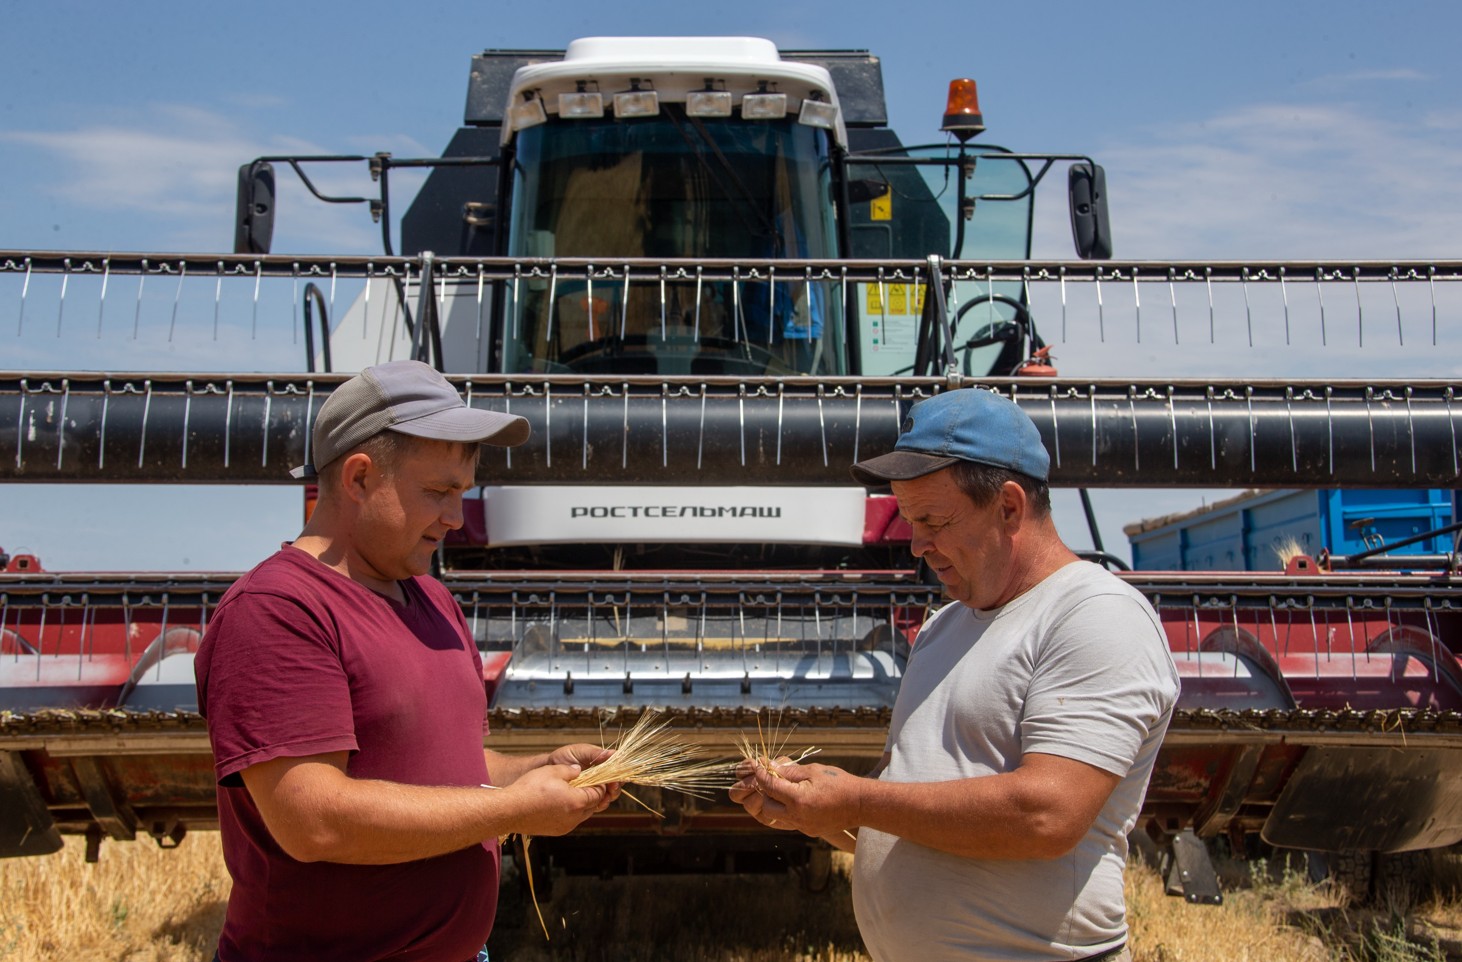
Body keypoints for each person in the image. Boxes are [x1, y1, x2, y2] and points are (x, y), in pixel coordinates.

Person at [730, 388, 1179, 962]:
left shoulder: (1094, 616)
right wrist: (819, 815)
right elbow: (906, 816)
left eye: (933, 520)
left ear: (1009, 507)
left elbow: (1047, 815)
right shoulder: (944, 628)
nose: (918, 545)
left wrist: (857, 800)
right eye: (909, 521)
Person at [195, 359, 620, 962]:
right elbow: (312, 820)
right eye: (438, 492)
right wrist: (517, 808)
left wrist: (533, 770)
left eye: (462, 493)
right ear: (360, 477)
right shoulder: (278, 610)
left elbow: (448, 767)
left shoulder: (433, 600)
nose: (455, 517)